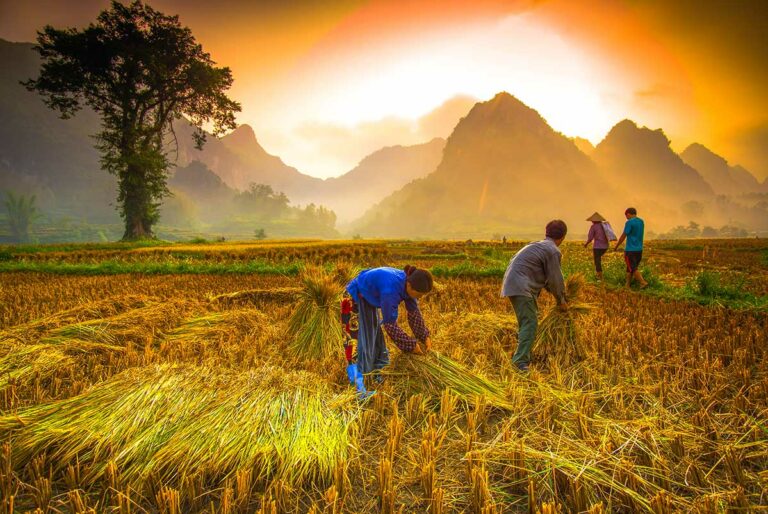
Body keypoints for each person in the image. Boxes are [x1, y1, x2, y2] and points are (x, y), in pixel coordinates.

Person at [341, 265, 433, 397]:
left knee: (374, 337)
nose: (419, 298)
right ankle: (358, 388)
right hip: (353, 297)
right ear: (409, 285)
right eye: (419, 295)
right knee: (355, 341)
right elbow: (390, 325)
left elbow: (414, 315)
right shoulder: (391, 290)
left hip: (368, 300)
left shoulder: (408, 284)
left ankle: (375, 374)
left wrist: (425, 337)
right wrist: (411, 345)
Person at [501, 220, 569, 372]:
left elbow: (546, 279)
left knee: (527, 321)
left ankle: (523, 352)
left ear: (547, 233)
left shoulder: (538, 245)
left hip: (514, 283)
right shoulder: (553, 251)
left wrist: (557, 293)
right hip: (521, 286)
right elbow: (555, 279)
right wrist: (561, 300)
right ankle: (520, 362)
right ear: (563, 237)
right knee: (530, 323)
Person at [614, 207, 648, 289]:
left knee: (632, 268)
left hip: (630, 249)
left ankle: (642, 282)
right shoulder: (641, 221)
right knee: (630, 268)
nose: (626, 217)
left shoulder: (629, 222)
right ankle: (627, 285)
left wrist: (617, 245)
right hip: (639, 249)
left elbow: (624, 235)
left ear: (628, 214)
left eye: (626, 216)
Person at [584, 212, 610, 281]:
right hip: (605, 246)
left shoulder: (593, 227)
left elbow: (590, 238)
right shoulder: (604, 225)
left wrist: (586, 244)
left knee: (597, 261)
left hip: (597, 247)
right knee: (598, 260)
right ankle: (599, 275)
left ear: (593, 220)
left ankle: (600, 277)